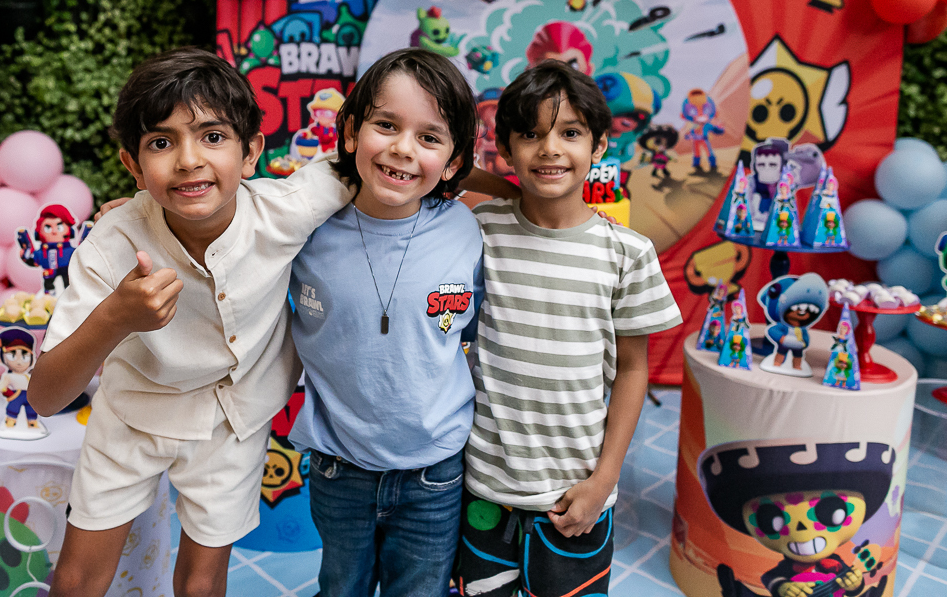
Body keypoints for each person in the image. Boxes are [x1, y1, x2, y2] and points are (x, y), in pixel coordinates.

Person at [26, 48, 354, 597]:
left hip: (234, 419)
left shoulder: (286, 207)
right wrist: (115, 318)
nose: (188, 160)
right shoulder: (111, 247)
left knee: (202, 582)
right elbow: (43, 396)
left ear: (251, 153)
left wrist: (512, 190)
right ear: (132, 166)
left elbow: (391, 160)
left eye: (213, 137)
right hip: (133, 413)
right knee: (78, 577)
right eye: (160, 142)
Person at [456, 61, 682, 597]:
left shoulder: (627, 253)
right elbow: (447, 166)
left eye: (570, 133)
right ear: (506, 152)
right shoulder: (481, 228)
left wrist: (602, 482)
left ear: (599, 146)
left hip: (574, 494)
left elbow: (632, 370)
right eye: (530, 136)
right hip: (483, 486)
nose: (550, 149)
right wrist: (512, 194)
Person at [287, 49, 484, 597]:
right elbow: (227, 211)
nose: (402, 148)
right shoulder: (306, 226)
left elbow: (470, 327)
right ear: (351, 132)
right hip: (337, 467)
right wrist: (144, 212)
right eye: (385, 125)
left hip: (436, 472)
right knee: (340, 588)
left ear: (451, 160)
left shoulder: (466, 228)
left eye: (429, 136)